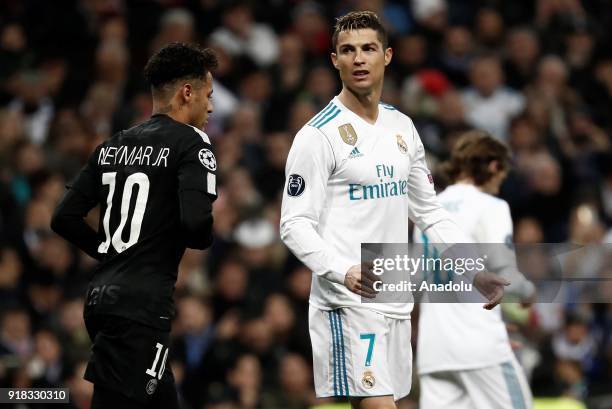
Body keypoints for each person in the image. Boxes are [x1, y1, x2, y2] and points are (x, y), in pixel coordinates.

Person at [280, 11, 508, 409]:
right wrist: (342, 269)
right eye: (347, 51)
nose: (358, 59)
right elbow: (294, 224)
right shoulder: (317, 136)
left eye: (368, 49)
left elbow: (430, 212)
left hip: (394, 295)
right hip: (347, 299)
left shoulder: (402, 127)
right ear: (335, 60)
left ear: (387, 56)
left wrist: (474, 268)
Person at [51, 43, 218, 409]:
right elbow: (196, 226)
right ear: (186, 92)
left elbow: (63, 217)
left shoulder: (113, 145)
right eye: (208, 95)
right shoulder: (192, 142)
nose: (211, 106)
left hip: (99, 300)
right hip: (143, 307)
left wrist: (107, 251)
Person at [414, 130, 535, 409]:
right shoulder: (491, 206)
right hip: (479, 346)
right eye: (502, 174)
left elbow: (419, 280)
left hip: (434, 349)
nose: (500, 183)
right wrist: (529, 292)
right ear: (494, 166)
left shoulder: (427, 210)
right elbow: (508, 275)